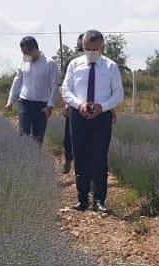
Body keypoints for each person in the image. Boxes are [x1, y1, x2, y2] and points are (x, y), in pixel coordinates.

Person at [62, 30, 124, 214]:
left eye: (94, 49)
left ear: (102, 47)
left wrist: (102, 107)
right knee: (80, 158)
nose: (90, 52)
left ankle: (99, 199)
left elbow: (118, 94)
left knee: (99, 159)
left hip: (101, 117)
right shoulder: (74, 65)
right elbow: (66, 90)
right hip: (78, 116)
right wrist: (79, 104)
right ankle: (82, 199)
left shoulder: (111, 67)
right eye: (86, 48)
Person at [6, 36, 59, 143]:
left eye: (26, 53)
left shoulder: (49, 63)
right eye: (23, 53)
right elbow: (17, 81)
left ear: (34, 49)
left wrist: (50, 106)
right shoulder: (23, 62)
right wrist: (10, 101)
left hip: (42, 106)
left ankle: (35, 159)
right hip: (24, 103)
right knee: (24, 135)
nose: (25, 56)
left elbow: (54, 86)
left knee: (38, 138)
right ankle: (25, 159)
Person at [62, 33, 84, 174]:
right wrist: (66, 103)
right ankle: (69, 159)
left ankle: (85, 172)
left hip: (92, 106)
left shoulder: (101, 61)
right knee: (69, 136)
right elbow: (64, 85)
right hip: (74, 104)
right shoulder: (71, 61)